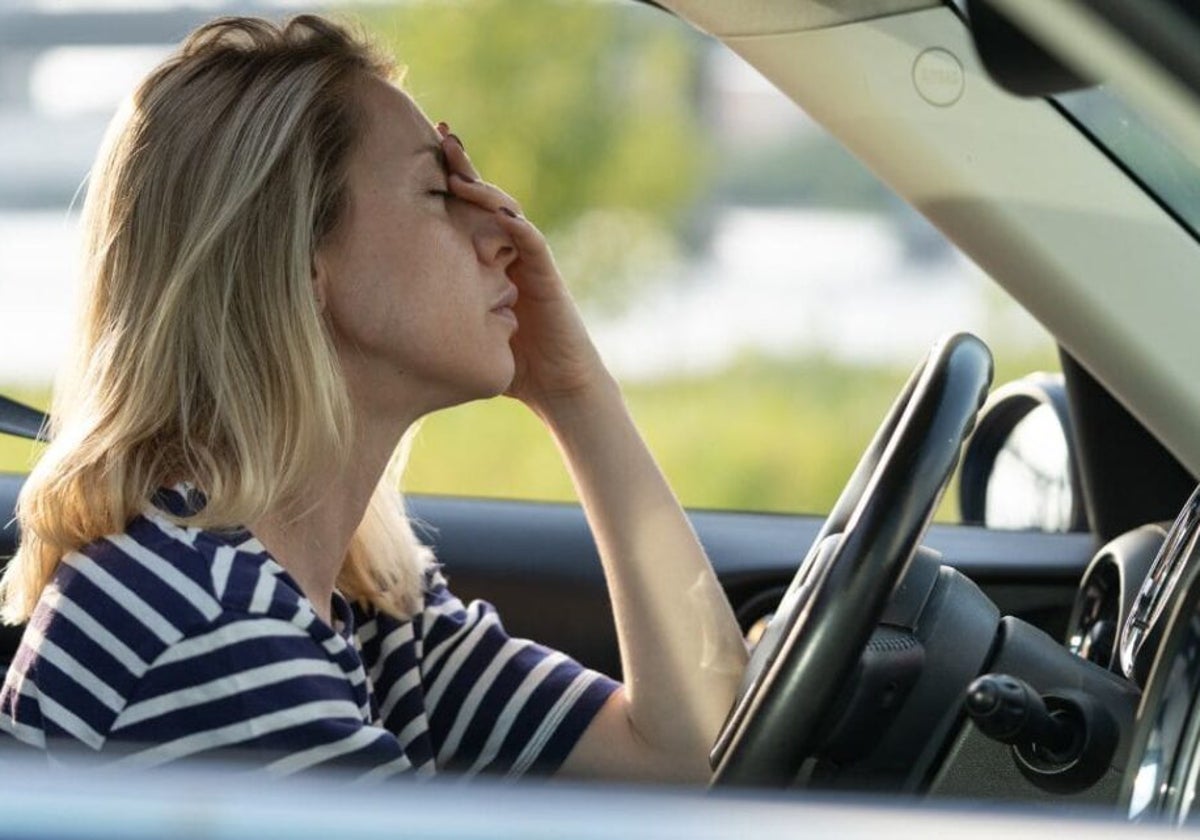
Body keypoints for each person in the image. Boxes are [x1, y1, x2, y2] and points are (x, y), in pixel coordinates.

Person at [0, 14, 747, 781]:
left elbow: (689, 753)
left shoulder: (363, 611)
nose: (504, 230)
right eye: (439, 189)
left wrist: (574, 387)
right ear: (298, 259)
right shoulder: (211, 634)